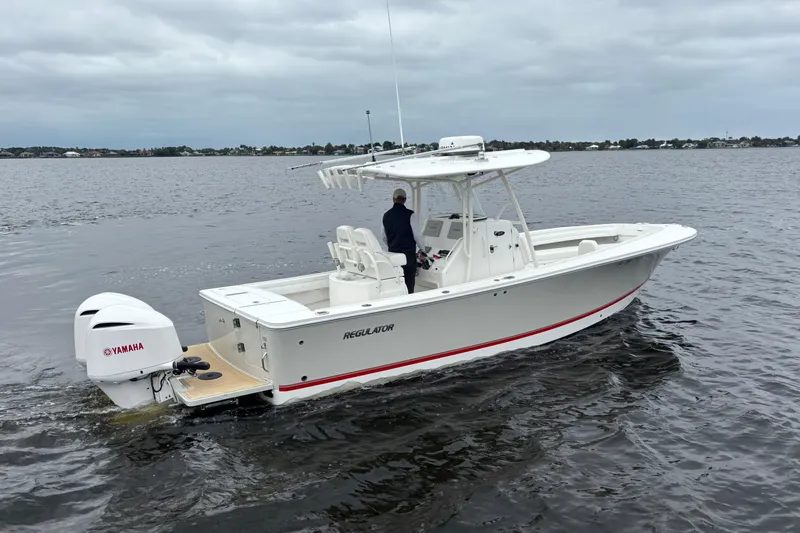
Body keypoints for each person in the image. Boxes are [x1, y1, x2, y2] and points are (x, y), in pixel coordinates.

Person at [382, 187, 426, 294]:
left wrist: (393, 245)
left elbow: (383, 237)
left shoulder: (386, 216)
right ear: (405, 200)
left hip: (393, 257)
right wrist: (423, 249)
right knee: (409, 283)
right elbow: (417, 236)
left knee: (397, 283)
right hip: (408, 257)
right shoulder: (411, 215)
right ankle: (409, 300)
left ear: (393, 199)